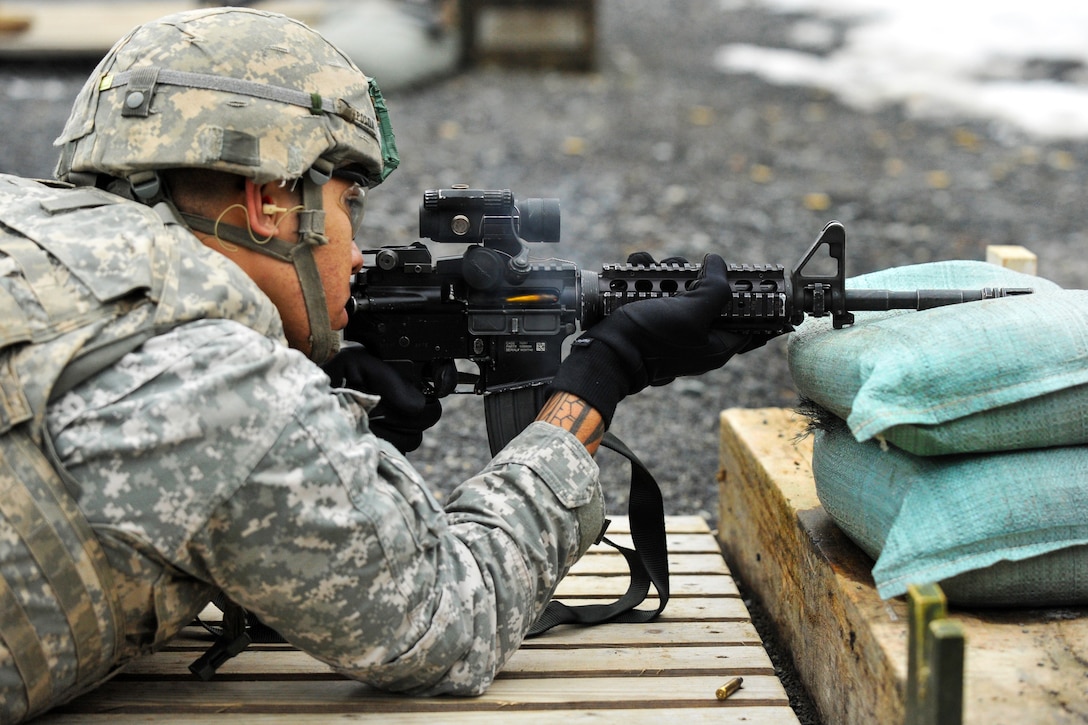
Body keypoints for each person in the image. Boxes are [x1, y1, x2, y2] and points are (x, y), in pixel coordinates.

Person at [0, 7, 753, 723]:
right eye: (347, 203)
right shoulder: (224, 384)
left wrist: (326, 420)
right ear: (270, 203)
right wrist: (601, 375)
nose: (357, 250)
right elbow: (452, 618)